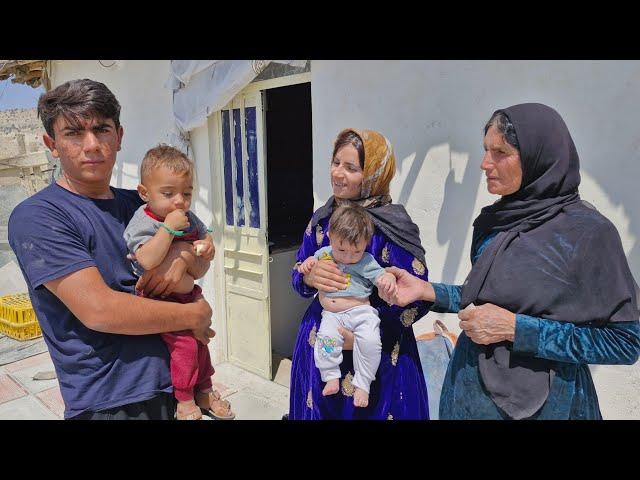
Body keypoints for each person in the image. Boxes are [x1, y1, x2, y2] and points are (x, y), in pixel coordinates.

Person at [384, 103, 640, 419]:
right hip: (467, 396)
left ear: (537, 158)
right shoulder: (494, 223)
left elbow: (624, 343)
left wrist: (518, 329)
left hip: (550, 406)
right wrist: (427, 291)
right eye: (485, 151)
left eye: (500, 153)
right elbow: (484, 301)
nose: (484, 163)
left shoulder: (588, 234)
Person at [8, 78, 215, 420]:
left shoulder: (142, 203)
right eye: (73, 132)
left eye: (101, 129)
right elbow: (100, 310)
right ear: (52, 144)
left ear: (119, 137)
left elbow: (203, 258)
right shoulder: (39, 217)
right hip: (112, 401)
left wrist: (182, 257)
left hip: (175, 386)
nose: (91, 145)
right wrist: (192, 315)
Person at [289, 128, 430, 420]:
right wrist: (307, 278)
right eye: (336, 163)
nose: (338, 174)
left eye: (351, 168)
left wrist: (370, 332)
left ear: (374, 174)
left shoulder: (392, 227)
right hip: (323, 339)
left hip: (379, 353)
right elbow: (298, 271)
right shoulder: (323, 219)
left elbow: (419, 296)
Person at [123, 144, 234, 420]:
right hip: (161, 301)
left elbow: (204, 236)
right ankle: (184, 400)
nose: (179, 201)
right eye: (168, 193)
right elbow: (147, 260)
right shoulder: (143, 221)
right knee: (184, 347)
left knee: (200, 343)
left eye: (187, 193)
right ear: (144, 194)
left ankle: (205, 389)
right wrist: (169, 229)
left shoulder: (187, 216)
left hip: (189, 294)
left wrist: (207, 246)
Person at [297, 203, 397, 408]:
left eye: (356, 251)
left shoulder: (367, 261)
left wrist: (386, 279)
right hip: (332, 316)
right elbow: (306, 263)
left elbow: (380, 275)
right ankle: (330, 376)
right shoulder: (324, 253)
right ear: (330, 236)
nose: (349, 256)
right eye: (342, 249)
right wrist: (307, 266)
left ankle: (363, 384)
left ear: (366, 244)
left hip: (361, 312)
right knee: (326, 341)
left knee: (370, 343)